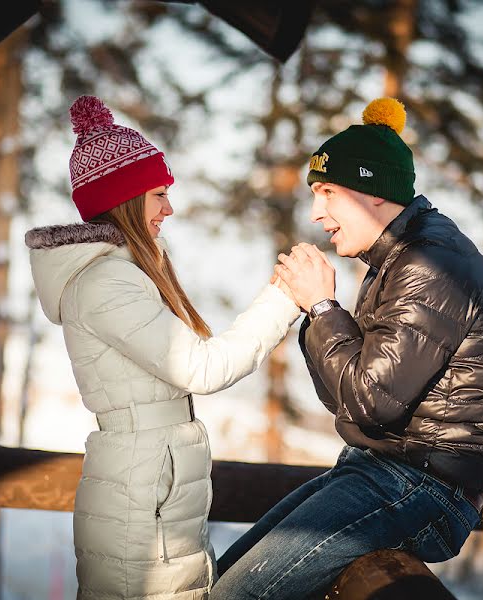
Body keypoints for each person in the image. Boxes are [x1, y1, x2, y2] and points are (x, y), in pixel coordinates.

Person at [212, 98, 483, 599]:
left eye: (328, 193)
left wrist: (322, 307)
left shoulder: (429, 267)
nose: (316, 213)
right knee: (223, 576)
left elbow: (369, 400)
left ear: (372, 192)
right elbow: (346, 395)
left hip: (424, 489)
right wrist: (317, 311)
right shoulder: (398, 259)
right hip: (380, 470)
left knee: (238, 596)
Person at [26, 96, 301, 600]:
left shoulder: (120, 276)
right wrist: (284, 298)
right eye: (158, 195)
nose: (169, 209)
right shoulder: (108, 283)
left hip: (150, 493)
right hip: (142, 504)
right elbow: (200, 368)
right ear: (127, 198)